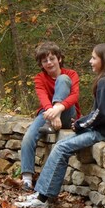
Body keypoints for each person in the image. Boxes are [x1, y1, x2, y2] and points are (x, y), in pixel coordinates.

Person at [16, 43, 105, 208]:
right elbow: (103, 112)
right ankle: (40, 193)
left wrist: (81, 124)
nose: (90, 61)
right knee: (61, 146)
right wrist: (82, 123)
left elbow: (104, 113)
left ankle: (43, 199)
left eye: (94, 58)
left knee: (61, 148)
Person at [20, 42, 81, 191]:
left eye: (52, 58)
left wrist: (58, 109)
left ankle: (55, 114)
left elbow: (74, 96)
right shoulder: (40, 78)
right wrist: (53, 114)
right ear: (41, 64)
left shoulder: (71, 74)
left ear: (59, 59)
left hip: (68, 113)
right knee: (28, 137)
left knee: (63, 79)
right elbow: (43, 98)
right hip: (47, 114)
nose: (49, 63)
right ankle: (27, 179)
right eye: (44, 61)